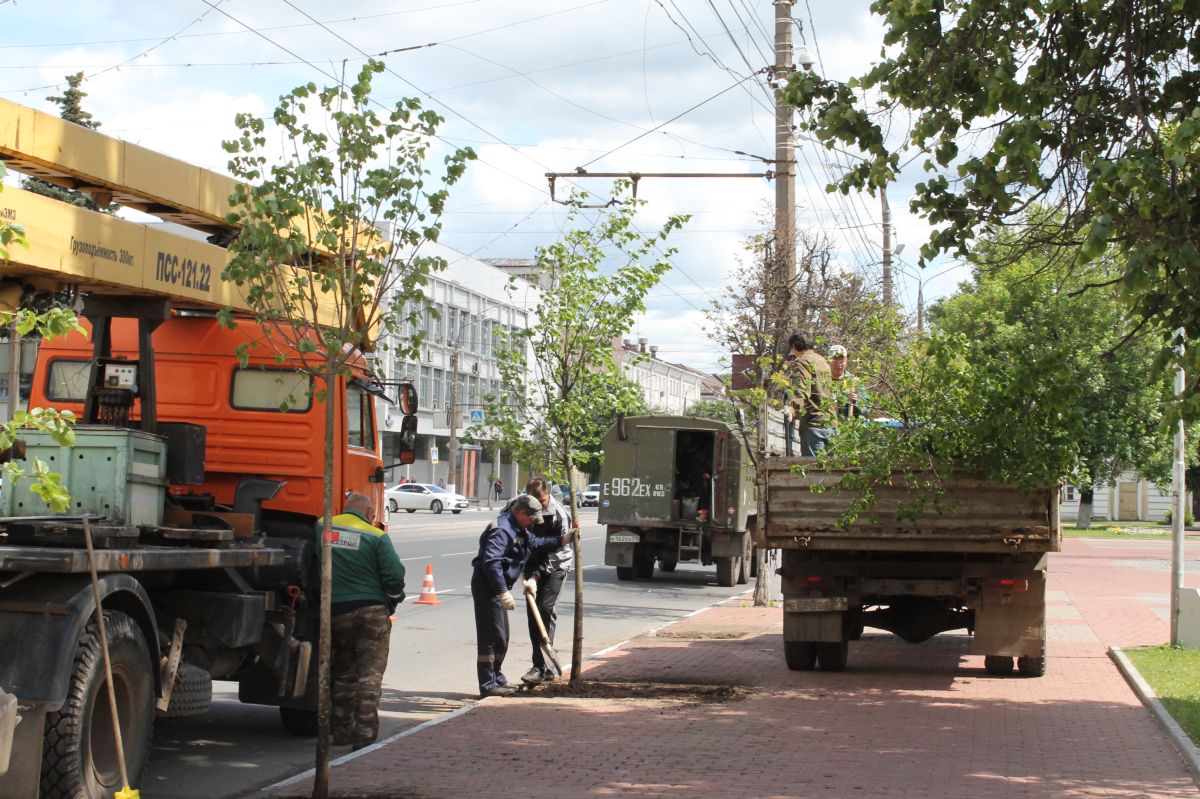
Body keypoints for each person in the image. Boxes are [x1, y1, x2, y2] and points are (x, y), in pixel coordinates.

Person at [325, 492, 406, 750]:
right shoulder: (376, 536)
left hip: (336, 611)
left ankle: (340, 733)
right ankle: (364, 736)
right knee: (369, 674)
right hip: (371, 611)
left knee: (343, 673)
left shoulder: (323, 528)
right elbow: (394, 576)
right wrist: (391, 601)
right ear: (370, 514)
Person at [470, 494, 564, 697]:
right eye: (530, 517)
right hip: (488, 587)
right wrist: (502, 591)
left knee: (502, 638)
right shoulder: (502, 528)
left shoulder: (520, 528)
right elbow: (491, 562)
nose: (532, 523)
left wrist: (563, 539)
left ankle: (497, 678)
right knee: (491, 637)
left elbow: (536, 542)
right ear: (520, 512)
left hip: (498, 587)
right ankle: (488, 684)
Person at [518, 477, 579, 685]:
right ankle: (540, 666)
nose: (539, 505)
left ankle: (544, 666)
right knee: (532, 615)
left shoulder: (559, 514)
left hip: (556, 566)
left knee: (544, 609)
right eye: (535, 501)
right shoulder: (521, 507)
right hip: (532, 566)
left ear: (547, 495)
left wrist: (538, 574)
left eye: (542, 501)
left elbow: (562, 550)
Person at [788, 329, 837, 456]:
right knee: (834, 472)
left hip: (814, 425)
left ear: (794, 347)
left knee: (814, 473)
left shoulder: (802, 362)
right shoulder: (823, 361)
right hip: (832, 425)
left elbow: (801, 391)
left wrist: (791, 409)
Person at [828, 344, 859, 419]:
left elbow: (866, 408)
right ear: (828, 360)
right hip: (827, 427)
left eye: (841, 361)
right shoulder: (822, 381)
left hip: (847, 427)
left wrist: (857, 401)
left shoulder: (853, 381)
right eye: (835, 361)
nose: (839, 366)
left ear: (846, 361)